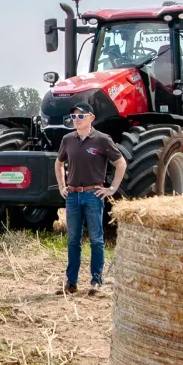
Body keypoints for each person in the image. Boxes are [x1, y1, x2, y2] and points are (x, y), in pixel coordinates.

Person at [55, 103, 126, 295]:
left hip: (93, 195)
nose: (76, 120)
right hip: (72, 195)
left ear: (91, 118)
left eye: (80, 116)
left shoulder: (102, 140)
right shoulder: (68, 139)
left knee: (96, 239)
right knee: (73, 240)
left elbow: (121, 163)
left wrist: (111, 188)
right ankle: (71, 282)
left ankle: (96, 281)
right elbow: (59, 162)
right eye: (74, 117)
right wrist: (62, 186)